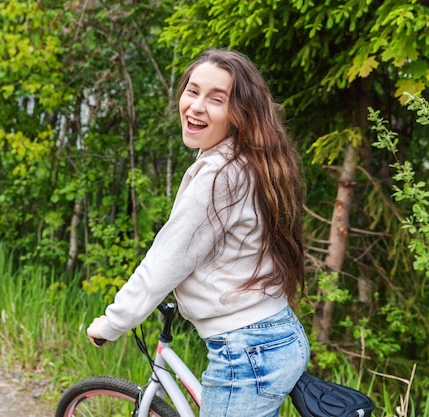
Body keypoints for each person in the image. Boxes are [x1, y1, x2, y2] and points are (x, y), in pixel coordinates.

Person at [86, 48, 310, 417]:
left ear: (240, 113)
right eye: (192, 91)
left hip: (247, 350)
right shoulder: (248, 159)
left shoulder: (219, 174)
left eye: (216, 99)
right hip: (276, 335)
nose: (196, 106)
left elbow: (167, 260)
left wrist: (113, 322)